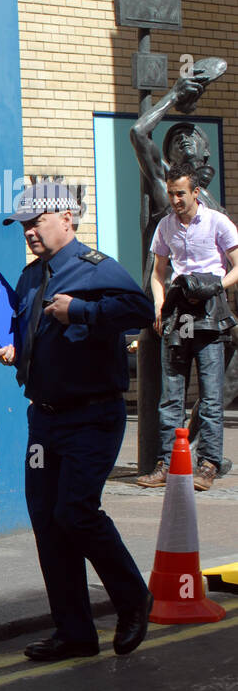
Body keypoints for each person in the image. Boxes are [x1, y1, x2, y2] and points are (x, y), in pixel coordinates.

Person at [0, 182, 154, 661]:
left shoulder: (96, 270)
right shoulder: (28, 277)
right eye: (23, 226)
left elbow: (141, 310)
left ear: (66, 216)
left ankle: (133, 599)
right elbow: (29, 334)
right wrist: (15, 350)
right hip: (45, 419)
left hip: (92, 416)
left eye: (36, 222)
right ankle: (75, 632)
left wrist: (80, 309)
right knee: (48, 520)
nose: (29, 232)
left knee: (76, 512)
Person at [136, 161, 238, 491]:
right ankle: (165, 464)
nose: (175, 200)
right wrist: (159, 303)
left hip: (210, 310)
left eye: (180, 193)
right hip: (179, 314)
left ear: (195, 192)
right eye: (171, 194)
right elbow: (157, 272)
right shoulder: (165, 226)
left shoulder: (218, 223)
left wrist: (218, 286)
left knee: (209, 397)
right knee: (171, 396)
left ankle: (208, 465)